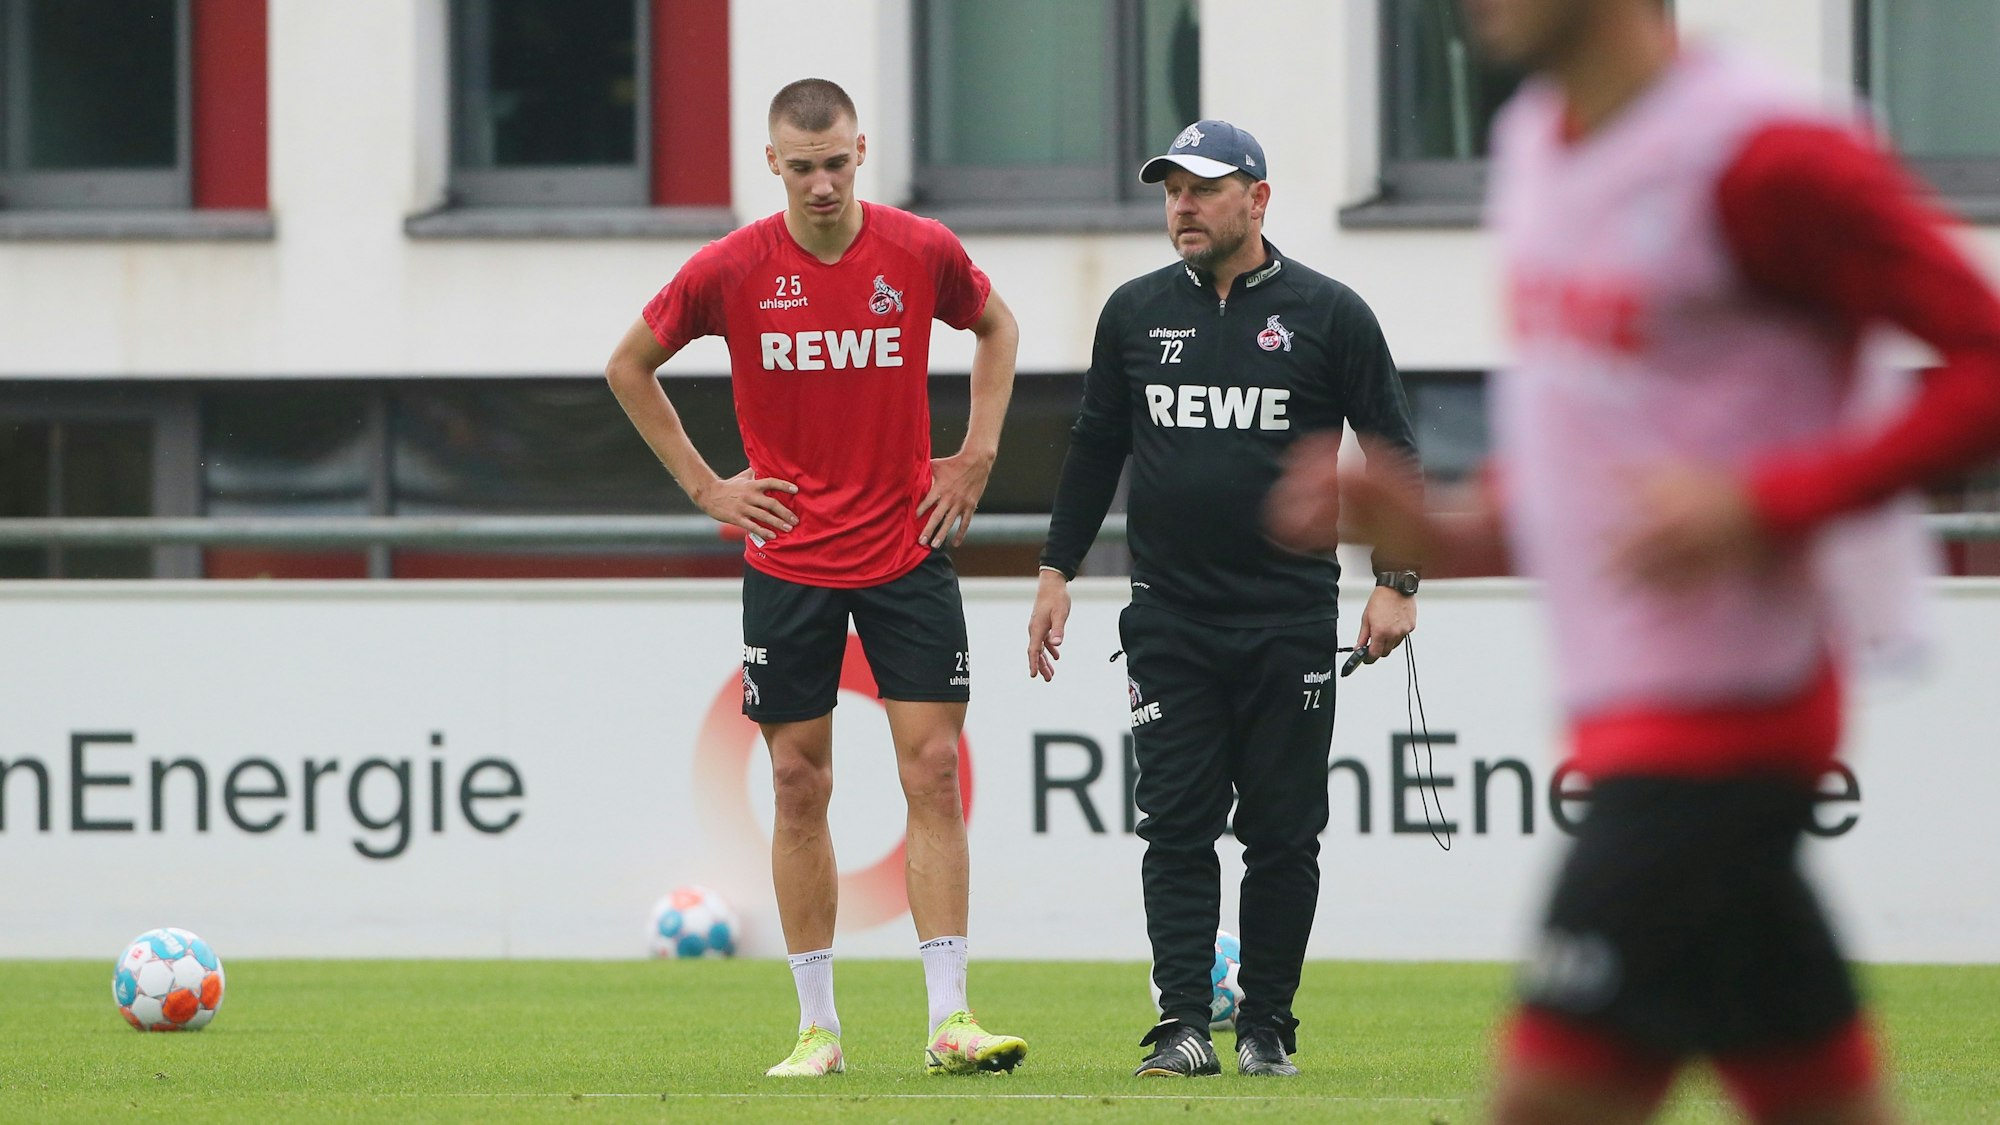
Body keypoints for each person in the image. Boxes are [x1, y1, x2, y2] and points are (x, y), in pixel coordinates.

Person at [1269, 1, 2000, 1120]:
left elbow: (1981, 361)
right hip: (1635, 722)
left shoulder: (1758, 151)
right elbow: (1598, 443)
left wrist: (1766, 503)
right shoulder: (1528, 146)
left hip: (1719, 726)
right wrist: (1452, 530)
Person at [605, 78, 1027, 1079]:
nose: (824, 183)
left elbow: (997, 328)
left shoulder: (919, 251)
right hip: (788, 558)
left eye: (837, 162)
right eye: (803, 168)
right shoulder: (732, 268)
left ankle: (950, 1021)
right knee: (798, 784)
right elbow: (628, 366)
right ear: (772, 167)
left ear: (859, 151)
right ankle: (816, 1031)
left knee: (929, 772)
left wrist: (973, 457)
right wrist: (708, 488)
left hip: (906, 547)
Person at [1027, 119, 1421, 1079]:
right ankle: (1182, 1026)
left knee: (1284, 833)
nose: (1182, 206)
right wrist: (1055, 569)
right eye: (1171, 190)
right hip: (1167, 617)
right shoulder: (1131, 313)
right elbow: (1093, 447)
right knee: (1174, 825)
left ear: (1259, 197)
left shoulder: (1331, 314)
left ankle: (1267, 1027)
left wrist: (1397, 582)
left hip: (1290, 617)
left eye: (1203, 187)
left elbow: (1395, 450)